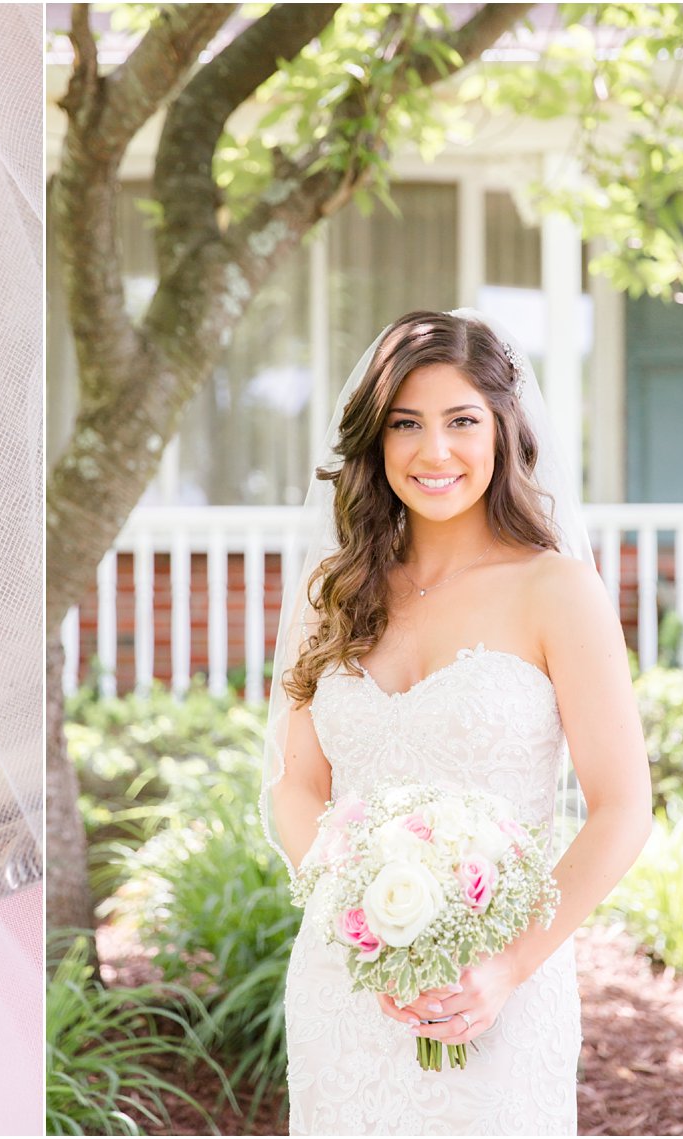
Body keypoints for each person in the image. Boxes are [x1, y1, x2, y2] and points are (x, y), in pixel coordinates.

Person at [262, 310, 653, 1135]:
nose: (434, 451)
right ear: (376, 440)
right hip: (349, 986)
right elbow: (296, 788)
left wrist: (507, 967)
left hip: (500, 989)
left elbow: (623, 806)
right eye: (406, 424)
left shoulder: (557, 591)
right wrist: (356, 916)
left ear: (504, 430)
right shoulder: (332, 591)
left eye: (461, 421)